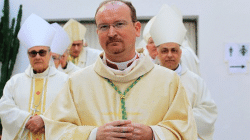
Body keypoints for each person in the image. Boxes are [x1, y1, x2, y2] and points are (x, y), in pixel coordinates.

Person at [43, 0, 197, 139]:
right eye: (104, 27)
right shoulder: (76, 83)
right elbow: (55, 131)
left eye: (119, 24)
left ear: (136, 29)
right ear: (97, 33)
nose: (111, 33)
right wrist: (93, 135)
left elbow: (186, 130)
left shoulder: (168, 81)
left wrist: (153, 134)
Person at [150, 4, 218, 140]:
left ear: (181, 53)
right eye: (164, 50)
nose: (169, 55)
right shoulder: (148, 79)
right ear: (157, 53)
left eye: (174, 50)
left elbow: (208, 113)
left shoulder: (195, 81)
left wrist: (177, 116)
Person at [0, 14, 69, 140]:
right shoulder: (15, 82)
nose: (37, 57)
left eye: (42, 52)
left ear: (49, 54)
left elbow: (70, 111)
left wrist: (44, 122)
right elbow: (4, 108)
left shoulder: (65, 81)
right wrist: (26, 120)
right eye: (33, 53)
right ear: (28, 56)